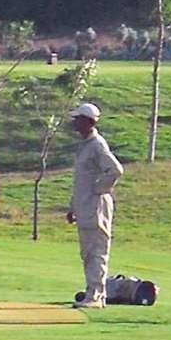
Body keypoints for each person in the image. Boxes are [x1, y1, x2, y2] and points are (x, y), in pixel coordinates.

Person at [66, 101, 123, 309]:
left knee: (97, 250)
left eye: (78, 119)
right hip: (84, 206)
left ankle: (96, 295)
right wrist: (74, 206)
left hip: (96, 206)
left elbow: (115, 170)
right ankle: (93, 291)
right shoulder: (85, 146)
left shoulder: (97, 145)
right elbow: (81, 179)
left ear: (88, 122)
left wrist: (99, 189)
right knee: (87, 252)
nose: (74, 123)